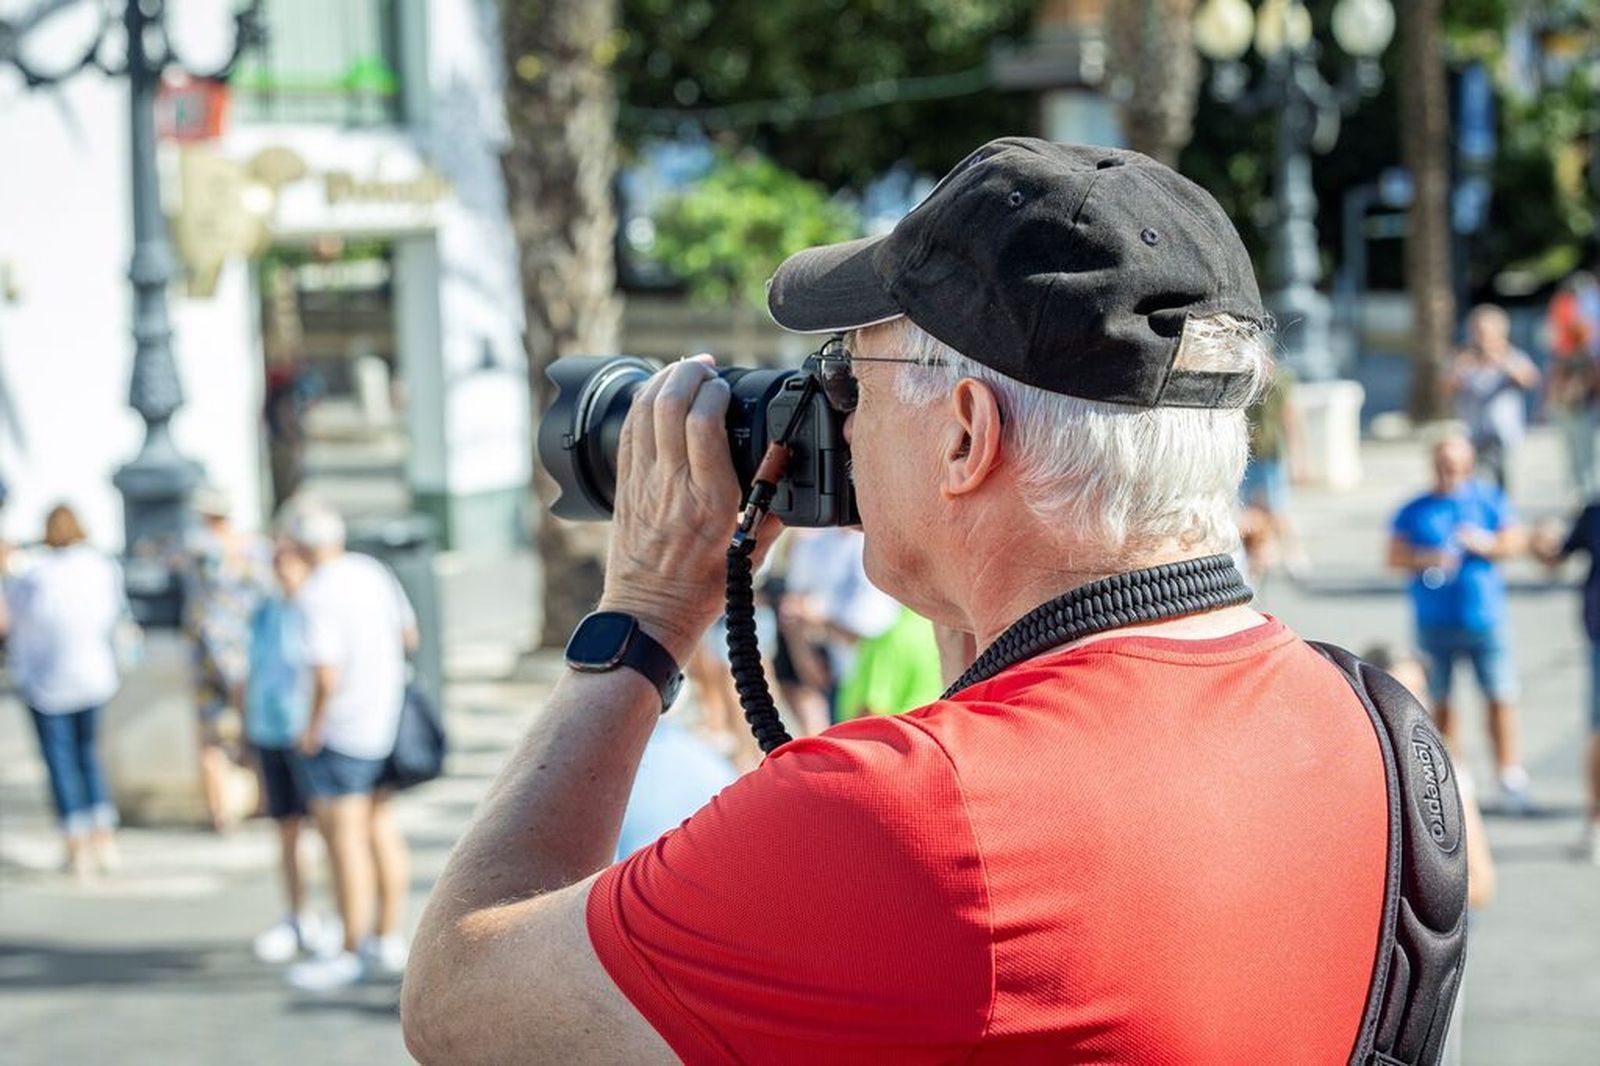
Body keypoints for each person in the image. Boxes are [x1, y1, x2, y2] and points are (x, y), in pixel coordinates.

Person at [403, 140, 1396, 1062]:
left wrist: (649, 610)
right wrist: (959, 573)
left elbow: (458, 1003)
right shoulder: (1373, 729)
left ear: (965, 433)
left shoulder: (903, 818)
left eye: (846, 372)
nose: (835, 413)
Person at [282, 500, 418, 992]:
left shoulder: (317, 594)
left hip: (342, 729)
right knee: (380, 828)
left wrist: (312, 726)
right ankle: (386, 935)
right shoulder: (372, 571)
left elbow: (324, 671)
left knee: (344, 840)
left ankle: (350, 948)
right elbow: (410, 635)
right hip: (384, 718)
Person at [1389, 435, 1533, 812]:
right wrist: (1426, 557)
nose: (1447, 473)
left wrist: (1488, 545)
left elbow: (1517, 540)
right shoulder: (1415, 509)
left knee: (1499, 695)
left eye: (1454, 467)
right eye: (1441, 465)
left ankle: (1508, 774)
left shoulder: (1487, 500)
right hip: (1434, 622)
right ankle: (1456, 776)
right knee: (1441, 701)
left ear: (1468, 468)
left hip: (1485, 619)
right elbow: (1393, 555)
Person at [2, 505, 127, 878]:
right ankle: (103, 837)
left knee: (61, 762)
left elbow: (11, 622)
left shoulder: (35, 575)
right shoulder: (102, 568)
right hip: (92, 675)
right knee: (88, 756)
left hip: (46, 680)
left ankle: (76, 843)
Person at [245, 538, 331, 962]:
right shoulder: (265, 611)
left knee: (331, 831)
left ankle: (338, 916)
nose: (281, 568)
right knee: (287, 828)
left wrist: (314, 727)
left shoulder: (317, 608)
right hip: (270, 730)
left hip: (309, 734)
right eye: (275, 560)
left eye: (287, 559)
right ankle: (298, 913)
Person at [180, 485, 273, 832]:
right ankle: (265, 797)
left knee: (210, 736)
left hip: (207, 650)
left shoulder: (197, 546)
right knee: (255, 728)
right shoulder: (256, 547)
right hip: (250, 649)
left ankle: (220, 812)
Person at [1532, 508, 1600, 865]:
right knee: (1598, 732)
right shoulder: (1594, 513)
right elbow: (1555, 558)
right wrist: (1541, 541)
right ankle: (1596, 820)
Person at [1442, 304, 1540, 495]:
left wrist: (1502, 362)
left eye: (1485, 333)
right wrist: (1460, 369)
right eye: (1477, 332)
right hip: (1472, 432)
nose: (1481, 338)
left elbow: (1531, 380)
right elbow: (1444, 389)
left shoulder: (1512, 356)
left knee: (1502, 485)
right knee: (1472, 483)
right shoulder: (1463, 358)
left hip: (1502, 434)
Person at [1542, 271, 1600, 501]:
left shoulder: (1587, 354)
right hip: (1570, 408)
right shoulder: (1563, 352)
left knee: (1586, 462)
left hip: (1584, 407)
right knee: (1577, 463)